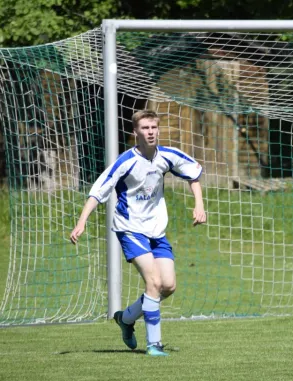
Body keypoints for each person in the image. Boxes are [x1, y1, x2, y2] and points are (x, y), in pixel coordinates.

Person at [70, 110, 207, 356]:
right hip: (130, 229)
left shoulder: (166, 156)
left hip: (156, 231)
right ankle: (154, 345)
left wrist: (199, 205)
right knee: (153, 282)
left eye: (154, 127)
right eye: (145, 128)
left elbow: (193, 173)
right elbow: (98, 190)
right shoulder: (126, 161)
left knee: (168, 286)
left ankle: (126, 318)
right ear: (135, 132)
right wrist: (82, 222)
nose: (151, 132)